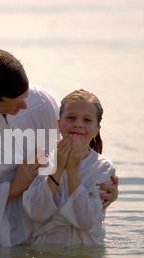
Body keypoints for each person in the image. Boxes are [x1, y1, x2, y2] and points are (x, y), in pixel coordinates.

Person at [0, 49, 118, 250]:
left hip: (37, 245)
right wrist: (14, 186)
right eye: (16, 104)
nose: (25, 106)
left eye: (26, 96)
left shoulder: (40, 102)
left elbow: (76, 153)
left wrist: (102, 192)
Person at [23, 89, 115, 246]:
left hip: (87, 257)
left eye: (87, 120)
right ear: (59, 124)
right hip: (46, 253)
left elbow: (85, 221)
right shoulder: (41, 160)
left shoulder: (103, 167)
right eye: (71, 118)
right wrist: (57, 169)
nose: (78, 124)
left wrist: (72, 171)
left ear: (97, 130)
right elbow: (36, 212)